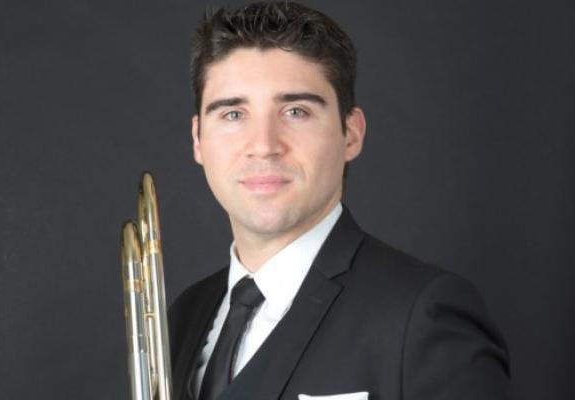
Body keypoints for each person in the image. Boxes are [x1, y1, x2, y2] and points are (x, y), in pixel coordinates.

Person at [168, 2, 511, 400]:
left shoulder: (423, 315)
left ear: (350, 133)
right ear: (198, 140)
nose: (263, 146)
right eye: (232, 114)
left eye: (295, 111)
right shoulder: (182, 317)